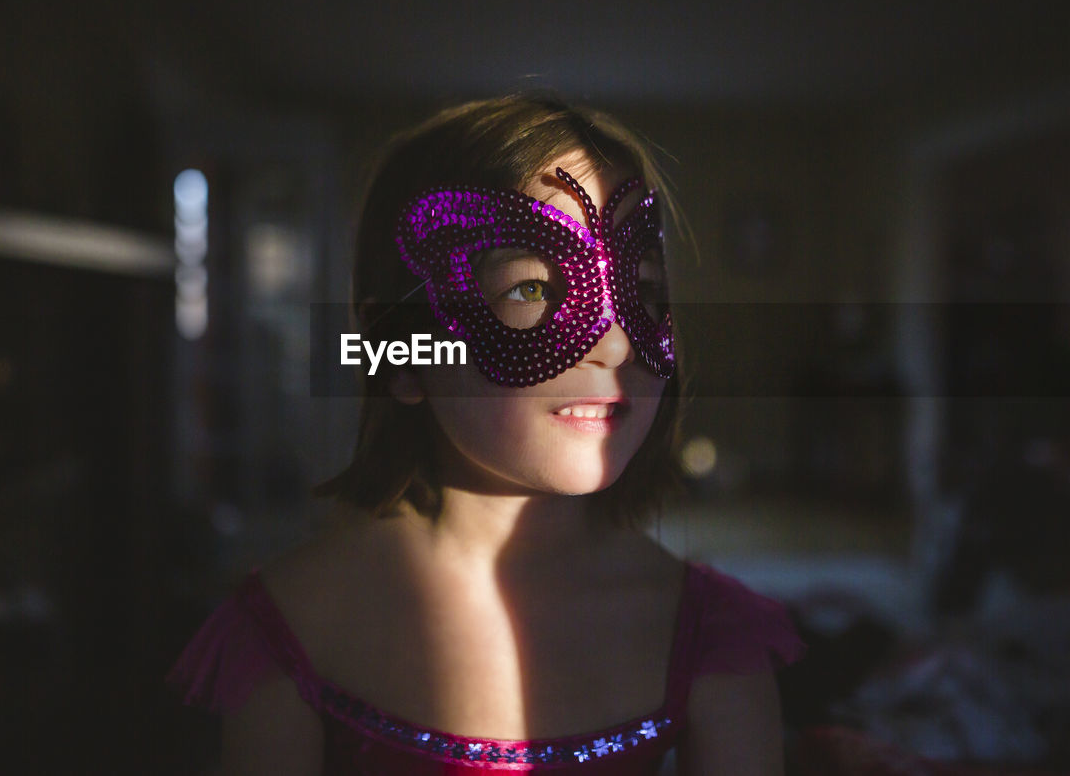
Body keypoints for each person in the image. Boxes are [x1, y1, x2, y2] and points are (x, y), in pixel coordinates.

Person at [168, 93, 804, 774]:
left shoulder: (708, 633)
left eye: (641, 293)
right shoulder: (291, 626)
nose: (615, 343)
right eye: (532, 291)